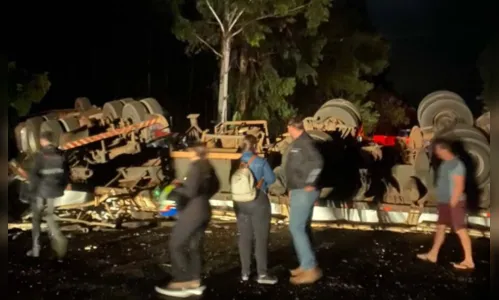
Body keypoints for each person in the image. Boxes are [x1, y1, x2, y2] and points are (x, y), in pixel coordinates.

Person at [155, 142, 220, 297]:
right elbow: (217, 185)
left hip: (193, 211)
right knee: (194, 246)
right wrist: (204, 196)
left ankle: (182, 281)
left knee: (176, 244)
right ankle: (195, 282)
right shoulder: (208, 166)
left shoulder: (196, 166)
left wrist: (177, 186)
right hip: (205, 208)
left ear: (194, 152)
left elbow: (189, 191)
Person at [417, 138, 474, 270]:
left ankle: (469, 260)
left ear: (443, 149)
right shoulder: (445, 164)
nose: (436, 154)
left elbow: (459, 186)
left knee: (460, 229)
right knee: (441, 228)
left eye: (437, 150)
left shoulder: (457, 165)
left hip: (454, 202)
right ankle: (433, 254)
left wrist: (452, 203)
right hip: (445, 202)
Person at [284, 117, 324, 285]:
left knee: (296, 227)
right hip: (298, 190)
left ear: (292, 128)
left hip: (304, 191)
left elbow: (318, 163)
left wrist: (310, 182)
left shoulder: (305, 143)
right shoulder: (300, 142)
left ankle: (310, 268)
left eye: (288, 129)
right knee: (303, 227)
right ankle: (305, 263)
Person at [233, 135, 278, 284]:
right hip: (258, 201)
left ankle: (245, 273)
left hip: (240, 203)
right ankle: (262, 274)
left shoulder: (236, 162)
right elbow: (272, 180)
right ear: (254, 146)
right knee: (260, 238)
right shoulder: (260, 162)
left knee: (244, 237)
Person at [27, 131, 69, 258]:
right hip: (54, 191)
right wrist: (61, 187)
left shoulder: (40, 155)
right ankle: (58, 240)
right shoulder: (61, 154)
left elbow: (34, 174)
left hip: (41, 191)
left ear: (42, 141)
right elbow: (66, 174)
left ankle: (36, 249)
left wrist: (32, 190)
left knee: (36, 219)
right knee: (50, 215)